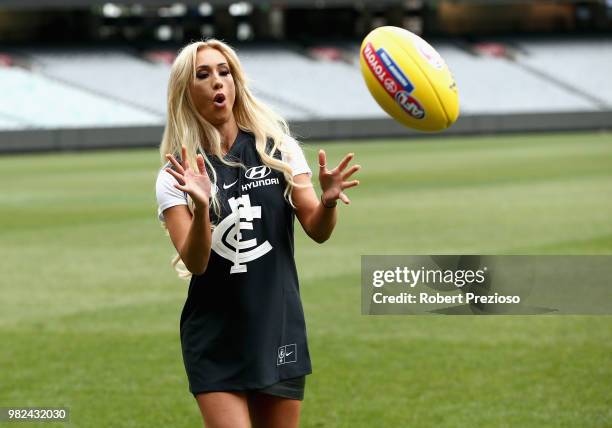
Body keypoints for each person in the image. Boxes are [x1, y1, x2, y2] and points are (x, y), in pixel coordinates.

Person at [155, 39, 360, 428]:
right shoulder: (175, 176)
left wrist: (329, 200)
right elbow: (197, 263)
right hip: (215, 337)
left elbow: (317, 229)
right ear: (186, 90)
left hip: (278, 325)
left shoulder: (278, 149)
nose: (218, 82)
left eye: (224, 71)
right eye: (203, 75)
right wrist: (200, 208)